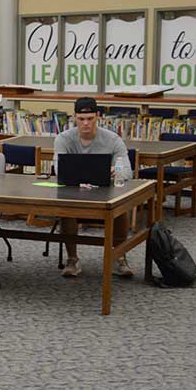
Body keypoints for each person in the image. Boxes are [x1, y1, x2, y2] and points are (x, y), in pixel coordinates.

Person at [53, 97, 135, 278]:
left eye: (90, 119)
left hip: (106, 193)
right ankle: (72, 259)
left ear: (98, 117)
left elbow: (128, 171)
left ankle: (119, 256)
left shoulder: (113, 139)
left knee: (121, 208)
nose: (86, 123)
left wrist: (117, 171)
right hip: (74, 193)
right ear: (74, 118)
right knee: (67, 209)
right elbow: (59, 170)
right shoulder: (63, 139)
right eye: (81, 119)